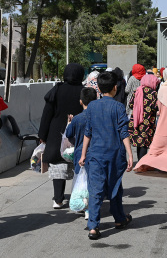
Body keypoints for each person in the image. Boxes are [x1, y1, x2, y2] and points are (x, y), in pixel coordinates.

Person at [79, 71, 134, 240]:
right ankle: (119, 219)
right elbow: (124, 133)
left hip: (95, 155)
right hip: (115, 155)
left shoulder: (92, 106)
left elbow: (87, 133)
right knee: (115, 186)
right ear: (115, 88)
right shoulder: (118, 107)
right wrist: (130, 155)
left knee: (95, 189)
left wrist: (83, 155)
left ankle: (94, 227)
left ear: (99, 90)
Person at [39, 63, 85, 209]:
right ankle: (80, 198)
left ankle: (58, 199)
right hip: (80, 133)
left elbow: (47, 114)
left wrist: (42, 135)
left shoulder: (57, 90)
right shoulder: (84, 91)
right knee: (80, 165)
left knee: (58, 165)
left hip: (56, 132)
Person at [65, 87, 97, 220]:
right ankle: (90, 208)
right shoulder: (97, 117)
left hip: (79, 153)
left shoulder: (77, 119)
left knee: (79, 180)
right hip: (95, 152)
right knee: (92, 181)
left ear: (80, 101)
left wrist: (69, 123)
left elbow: (68, 134)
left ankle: (82, 205)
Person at [128, 74, 159, 160]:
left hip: (136, 120)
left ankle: (139, 161)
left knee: (139, 142)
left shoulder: (137, 91)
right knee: (144, 143)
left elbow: (130, 105)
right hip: (147, 121)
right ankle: (141, 162)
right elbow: (155, 107)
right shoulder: (153, 93)